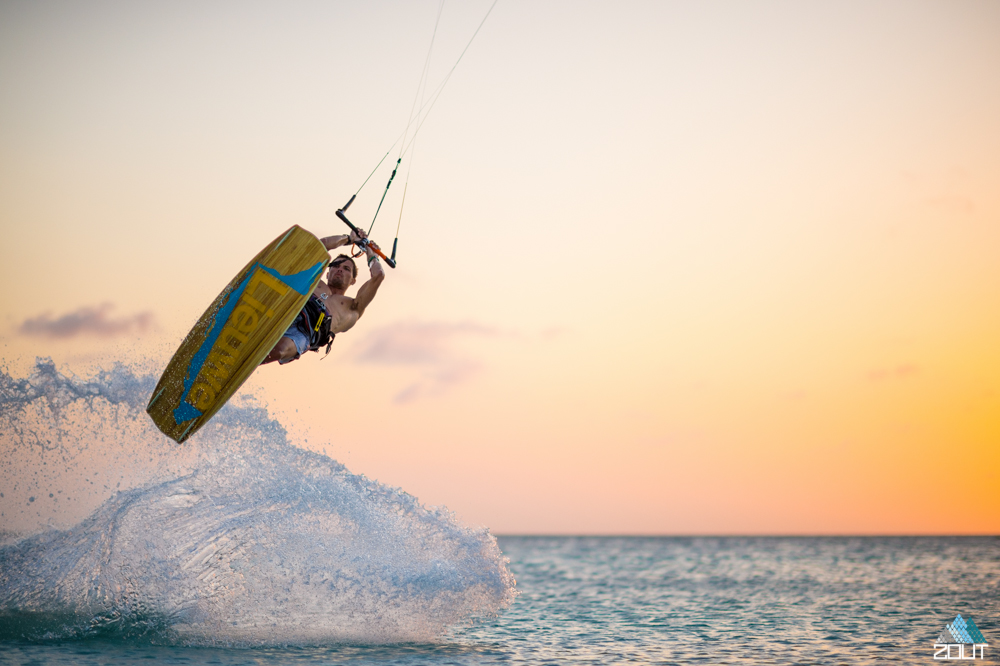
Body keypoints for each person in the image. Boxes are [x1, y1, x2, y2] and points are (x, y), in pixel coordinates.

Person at [262, 229, 384, 365]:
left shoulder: (353, 307)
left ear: (353, 280)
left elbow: (378, 275)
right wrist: (349, 239)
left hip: (304, 333)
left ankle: (248, 364)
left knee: (280, 350)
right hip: (287, 313)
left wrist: (371, 253)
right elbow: (320, 246)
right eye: (336, 266)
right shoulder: (314, 282)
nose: (339, 269)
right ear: (327, 272)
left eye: (346, 269)